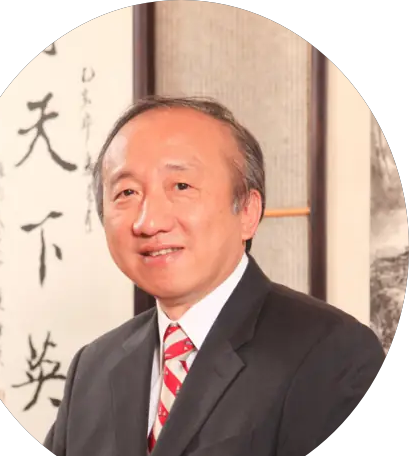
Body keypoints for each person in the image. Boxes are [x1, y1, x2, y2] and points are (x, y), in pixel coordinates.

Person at [44, 96, 385, 456]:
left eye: (181, 186)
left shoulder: (335, 354)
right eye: (127, 192)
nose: (149, 222)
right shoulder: (92, 368)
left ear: (248, 212)